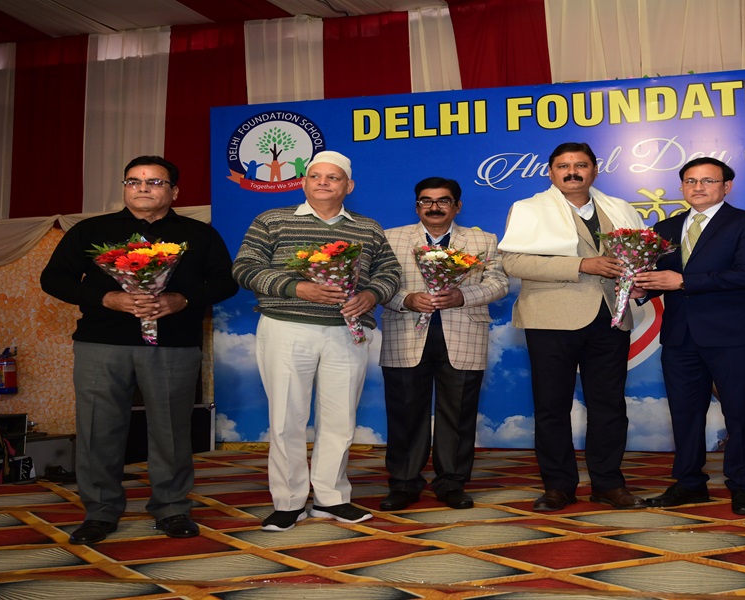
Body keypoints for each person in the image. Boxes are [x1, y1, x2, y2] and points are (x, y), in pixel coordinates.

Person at [41, 155, 238, 545]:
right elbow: (54, 278)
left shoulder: (199, 234)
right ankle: (100, 512)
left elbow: (225, 282)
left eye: (154, 182)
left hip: (173, 346)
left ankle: (172, 508)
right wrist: (107, 298)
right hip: (102, 343)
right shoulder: (92, 231)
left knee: (171, 430)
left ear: (174, 191)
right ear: (125, 188)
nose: (143, 188)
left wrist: (182, 300)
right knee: (98, 429)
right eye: (133, 181)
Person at [233, 150, 401, 531]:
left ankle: (331, 498)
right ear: (304, 182)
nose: (323, 182)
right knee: (286, 420)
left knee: (340, 420)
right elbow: (244, 267)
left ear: (349, 186)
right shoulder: (272, 220)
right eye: (315, 176)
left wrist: (371, 295)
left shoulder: (368, 228)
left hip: (348, 330)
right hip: (286, 326)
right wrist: (297, 288)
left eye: (333, 177)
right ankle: (289, 502)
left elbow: (390, 272)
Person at [499, 142, 647, 512]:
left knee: (609, 405)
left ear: (595, 170)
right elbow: (513, 263)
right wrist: (581, 265)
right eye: (563, 166)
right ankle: (558, 486)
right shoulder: (528, 209)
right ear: (550, 172)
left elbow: (638, 257)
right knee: (552, 406)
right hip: (550, 318)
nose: (572, 172)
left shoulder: (621, 208)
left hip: (611, 317)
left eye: (580, 165)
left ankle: (608, 484)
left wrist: (639, 281)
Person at [633, 157, 745, 515]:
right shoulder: (665, 227)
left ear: (727, 187)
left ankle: (743, 486)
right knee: (684, 414)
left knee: (740, 412)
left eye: (708, 181)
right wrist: (642, 290)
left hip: (732, 334)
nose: (698, 187)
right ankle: (689, 484)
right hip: (679, 335)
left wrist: (683, 281)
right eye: (691, 181)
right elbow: (660, 276)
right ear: (682, 187)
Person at [378, 177, 508, 511]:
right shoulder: (390, 238)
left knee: (458, 414)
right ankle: (404, 483)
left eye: (443, 201)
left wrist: (463, 295)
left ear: (457, 206)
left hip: (464, 334)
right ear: (416, 206)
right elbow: (376, 284)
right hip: (404, 334)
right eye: (426, 201)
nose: (434, 207)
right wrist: (407, 299)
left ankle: (452, 482)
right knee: (405, 413)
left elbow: (499, 283)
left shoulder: (482, 240)